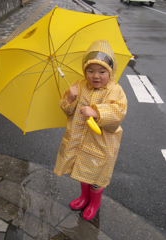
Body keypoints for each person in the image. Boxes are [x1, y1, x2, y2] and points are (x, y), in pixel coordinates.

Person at [53, 39, 127, 220]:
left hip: (101, 144)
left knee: (95, 176)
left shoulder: (115, 91)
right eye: (90, 71)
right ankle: (83, 197)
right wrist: (70, 98)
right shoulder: (79, 86)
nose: (96, 76)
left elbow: (118, 113)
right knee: (82, 170)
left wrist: (96, 112)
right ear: (84, 70)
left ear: (111, 72)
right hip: (79, 140)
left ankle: (94, 202)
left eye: (102, 72)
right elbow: (68, 111)